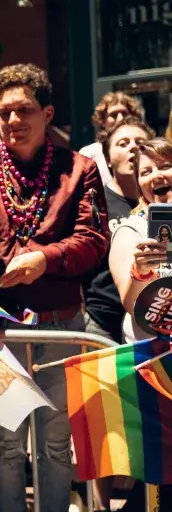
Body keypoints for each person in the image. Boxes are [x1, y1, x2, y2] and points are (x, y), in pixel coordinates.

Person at [0, 63, 108, 512]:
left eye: (24, 110)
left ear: (47, 112)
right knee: (5, 443)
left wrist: (44, 259)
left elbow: (93, 242)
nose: (13, 122)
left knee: (56, 444)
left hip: (61, 324)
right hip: (3, 327)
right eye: (4, 114)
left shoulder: (78, 168)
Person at [85, 116, 155, 345]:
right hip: (103, 322)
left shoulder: (160, 201)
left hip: (153, 320)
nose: (133, 147)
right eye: (123, 143)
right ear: (107, 159)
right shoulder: (95, 202)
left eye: (139, 141)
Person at [109, 138, 172, 343]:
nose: (157, 175)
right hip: (156, 359)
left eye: (165, 166)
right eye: (146, 172)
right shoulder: (130, 231)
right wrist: (141, 272)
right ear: (140, 186)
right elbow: (132, 305)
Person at [79, 92, 143, 186]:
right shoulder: (88, 154)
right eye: (113, 115)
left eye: (124, 113)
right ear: (102, 121)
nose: (120, 119)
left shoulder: (142, 146)